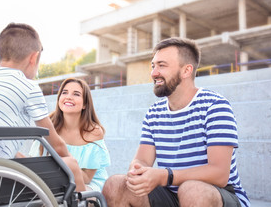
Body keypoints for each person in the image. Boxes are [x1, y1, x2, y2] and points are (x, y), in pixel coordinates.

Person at [102, 37, 250, 207]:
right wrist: (137, 171)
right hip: (171, 194)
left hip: (219, 193)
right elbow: (142, 159)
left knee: (192, 191)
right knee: (115, 185)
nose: (154, 73)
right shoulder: (154, 113)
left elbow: (219, 174)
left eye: (162, 65)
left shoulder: (215, 106)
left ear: (186, 70)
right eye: (153, 66)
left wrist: (165, 176)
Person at [30, 78, 111, 192]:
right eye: (64, 92)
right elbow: (34, 162)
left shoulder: (93, 132)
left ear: (85, 104)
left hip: (89, 184)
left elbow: (87, 178)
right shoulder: (49, 125)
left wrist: (64, 166)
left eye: (76, 94)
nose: (68, 97)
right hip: (57, 182)